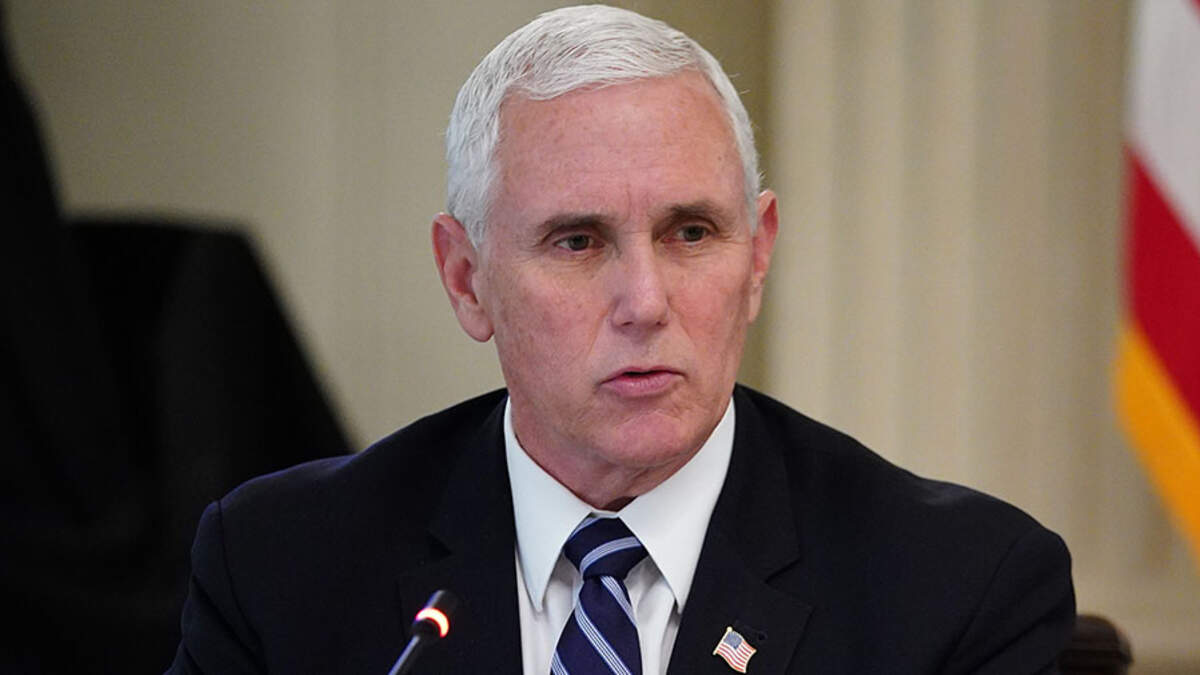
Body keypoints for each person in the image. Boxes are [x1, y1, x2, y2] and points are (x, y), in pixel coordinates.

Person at [167, 5, 1074, 674]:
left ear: (758, 256)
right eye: (578, 241)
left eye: (691, 233)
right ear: (466, 278)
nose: (645, 302)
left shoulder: (956, 589)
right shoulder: (282, 569)